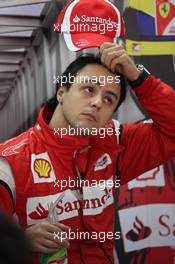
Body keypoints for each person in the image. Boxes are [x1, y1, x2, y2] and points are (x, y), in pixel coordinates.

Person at [0, 43, 175, 264]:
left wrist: (137, 77)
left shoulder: (115, 144)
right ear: (61, 92)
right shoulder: (9, 161)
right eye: (89, 89)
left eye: (109, 99)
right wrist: (20, 241)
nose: (96, 103)